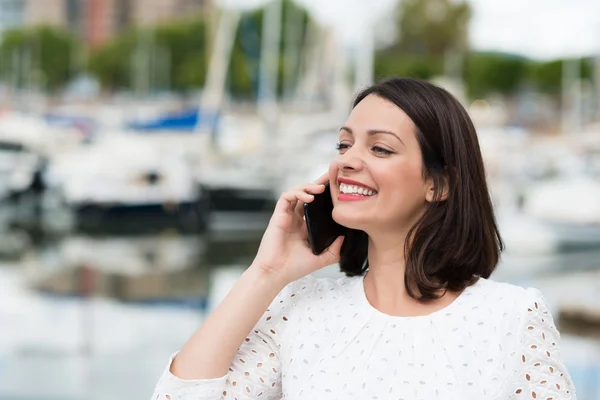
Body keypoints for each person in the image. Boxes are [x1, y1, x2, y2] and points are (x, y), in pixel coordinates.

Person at [151, 77, 577, 399]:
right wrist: (266, 272)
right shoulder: (300, 312)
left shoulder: (513, 316)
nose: (348, 161)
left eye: (381, 149)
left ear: (439, 184)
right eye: (344, 145)